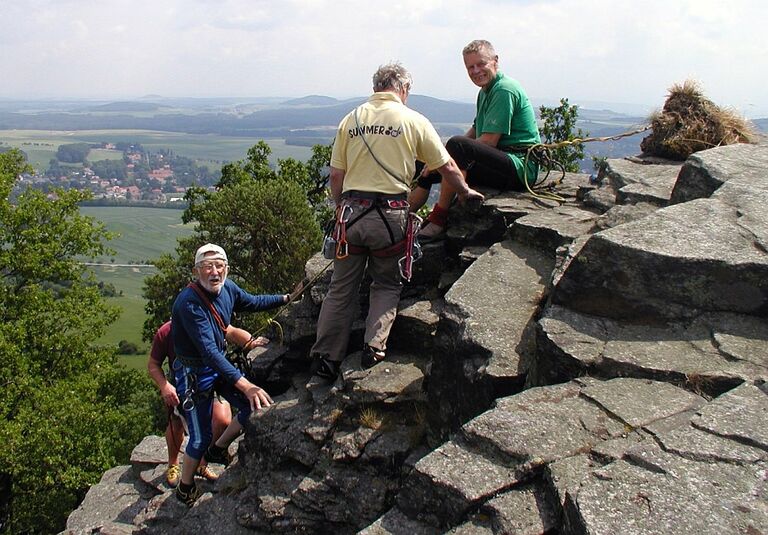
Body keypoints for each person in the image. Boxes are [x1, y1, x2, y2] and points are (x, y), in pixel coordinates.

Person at [308, 62, 483, 382]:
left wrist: (339, 209)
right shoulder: (413, 120)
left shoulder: (352, 119)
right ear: (403, 89)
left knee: (341, 288)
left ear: (376, 87)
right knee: (386, 283)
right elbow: (447, 167)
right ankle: (373, 347)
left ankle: (326, 357)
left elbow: (336, 175)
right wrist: (466, 191)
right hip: (390, 217)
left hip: (353, 215)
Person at [171, 243, 290, 506]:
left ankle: (219, 448)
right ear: (196, 271)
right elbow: (209, 353)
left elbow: (252, 301)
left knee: (252, 407)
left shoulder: (228, 288)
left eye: (219, 266)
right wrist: (246, 384)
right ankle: (185, 486)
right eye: (207, 267)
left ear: (226, 269)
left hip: (216, 367)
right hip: (194, 374)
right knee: (199, 437)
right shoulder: (189, 304)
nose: (214, 272)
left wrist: (285, 298)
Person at [410, 39, 541, 239]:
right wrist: (438, 159)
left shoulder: (504, 89)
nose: (476, 71)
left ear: (495, 61)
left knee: (455, 147)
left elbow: (488, 141)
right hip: (501, 161)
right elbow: (474, 131)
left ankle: (439, 218)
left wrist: (447, 158)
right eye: (470, 67)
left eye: (481, 64)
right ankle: (404, 217)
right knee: (426, 163)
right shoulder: (485, 92)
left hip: (520, 167)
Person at [147, 320, 266, 488]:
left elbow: (231, 331)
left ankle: (202, 461)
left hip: (214, 378)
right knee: (176, 421)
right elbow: (153, 364)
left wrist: (250, 342)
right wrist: (164, 386)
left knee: (222, 420)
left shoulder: (208, 319)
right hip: (183, 383)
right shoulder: (167, 331)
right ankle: (173, 463)